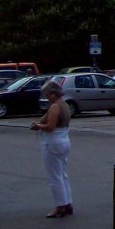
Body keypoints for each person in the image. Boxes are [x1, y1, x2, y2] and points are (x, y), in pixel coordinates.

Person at [30, 80, 73, 217]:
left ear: (53, 94)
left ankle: (60, 205)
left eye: (47, 94)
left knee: (54, 176)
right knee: (62, 174)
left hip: (53, 142)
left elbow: (50, 127)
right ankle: (67, 202)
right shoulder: (64, 104)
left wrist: (38, 126)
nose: (46, 97)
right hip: (64, 140)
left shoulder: (55, 107)